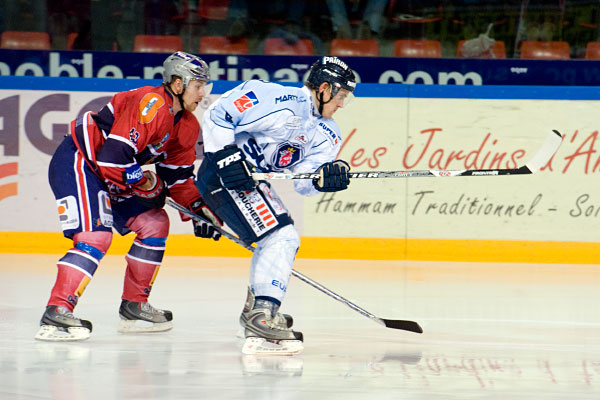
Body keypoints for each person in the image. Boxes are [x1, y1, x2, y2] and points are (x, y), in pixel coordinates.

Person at [35, 51, 221, 342]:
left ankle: (134, 305)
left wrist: (198, 208)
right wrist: (148, 183)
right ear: (176, 84)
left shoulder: (187, 126)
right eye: (197, 85)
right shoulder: (151, 104)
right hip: (82, 162)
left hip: (113, 172)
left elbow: (179, 179)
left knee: (155, 224)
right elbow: (111, 160)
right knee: (95, 237)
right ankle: (58, 310)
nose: (203, 93)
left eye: (204, 86)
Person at [195, 56, 356, 355]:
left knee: (278, 238)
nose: (342, 104)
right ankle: (260, 316)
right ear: (323, 88)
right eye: (341, 96)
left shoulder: (328, 133)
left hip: (253, 183)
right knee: (281, 237)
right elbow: (218, 113)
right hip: (224, 175)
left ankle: (258, 310)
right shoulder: (275, 97)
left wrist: (324, 180)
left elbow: (304, 183)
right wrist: (226, 155)